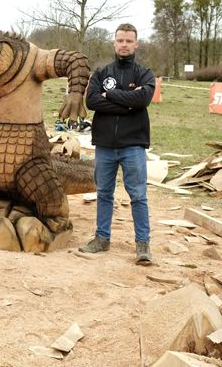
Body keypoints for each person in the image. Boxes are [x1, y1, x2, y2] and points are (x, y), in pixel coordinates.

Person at [79, 23, 156, 264]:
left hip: (133, 145)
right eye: (120, 40)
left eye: (128, 41)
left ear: (136, 44)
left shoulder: (145, 73)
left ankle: (143, 246)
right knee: (103, 193)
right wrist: (128, 103)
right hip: (104, 145)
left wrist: (110, 95)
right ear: (114, 42)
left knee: (138, 195)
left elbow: (143, 98)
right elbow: (91, 101)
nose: (124, 44)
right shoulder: (101, 73)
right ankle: (102, 239)